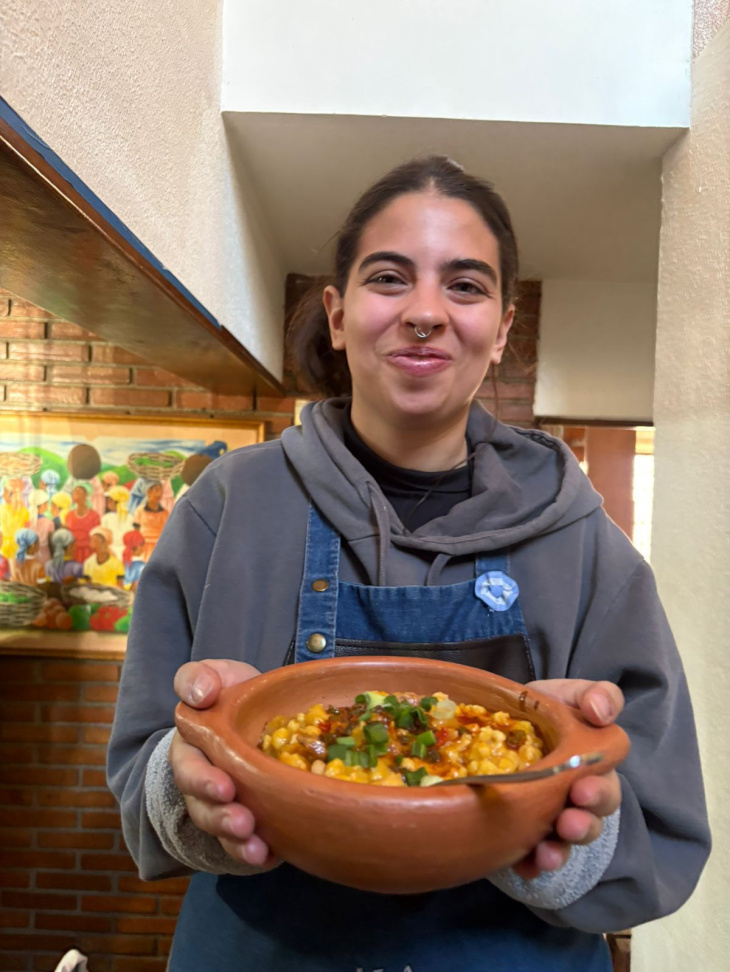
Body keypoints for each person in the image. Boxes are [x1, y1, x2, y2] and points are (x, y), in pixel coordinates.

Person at [108, 157, 710, 972]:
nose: (426, 312)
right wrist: (190, 790)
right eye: (389, 278)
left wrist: (559, 818)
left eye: (465, 286)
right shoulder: (227, 506)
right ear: (337, 314)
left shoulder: (586, 543)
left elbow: (663, 829)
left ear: (502, 329)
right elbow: (142, 768)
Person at [131, 481, 169, 562]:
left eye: (161, 490)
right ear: (148, 492)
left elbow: (168, 532)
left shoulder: (165, 513)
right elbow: (136, 531)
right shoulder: (140, 511)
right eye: (156, 490)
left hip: (160, 545)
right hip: (143, 545)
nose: (159, 494)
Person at [64, 483, 101, 563]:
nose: (75, 495)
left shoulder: (94, 516)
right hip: (73, 552)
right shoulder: (69, 515)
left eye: (79, 492)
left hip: (89, 552)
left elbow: (97, 536)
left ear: (86, 495)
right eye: (74, 492)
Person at [101, 485, 131, 559]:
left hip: (119, 551)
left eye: (109, 500)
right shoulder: (131, 517)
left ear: (115, 502)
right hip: (113, 551)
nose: (108, 503)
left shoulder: (106, 518)